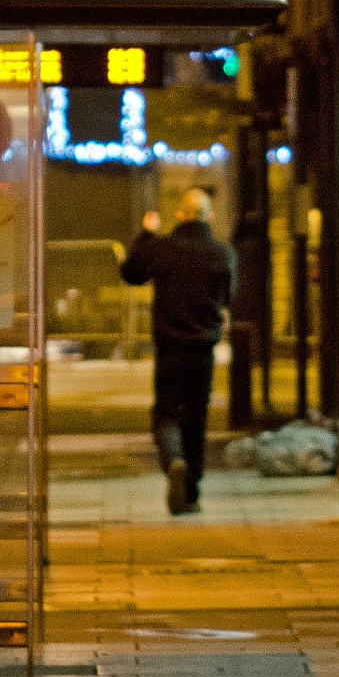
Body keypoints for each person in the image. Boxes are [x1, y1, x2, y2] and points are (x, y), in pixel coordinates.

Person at [119, 187, 236, 515]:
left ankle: (174, 460)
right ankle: (193, 492)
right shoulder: (223, 253)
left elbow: (131, 273)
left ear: (180, 215)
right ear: (210, 216)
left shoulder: (163, 249)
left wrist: (146, 233)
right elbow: (228, 295)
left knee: (167, 413)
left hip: (169, 347)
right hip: (203, 349)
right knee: (196, 418)